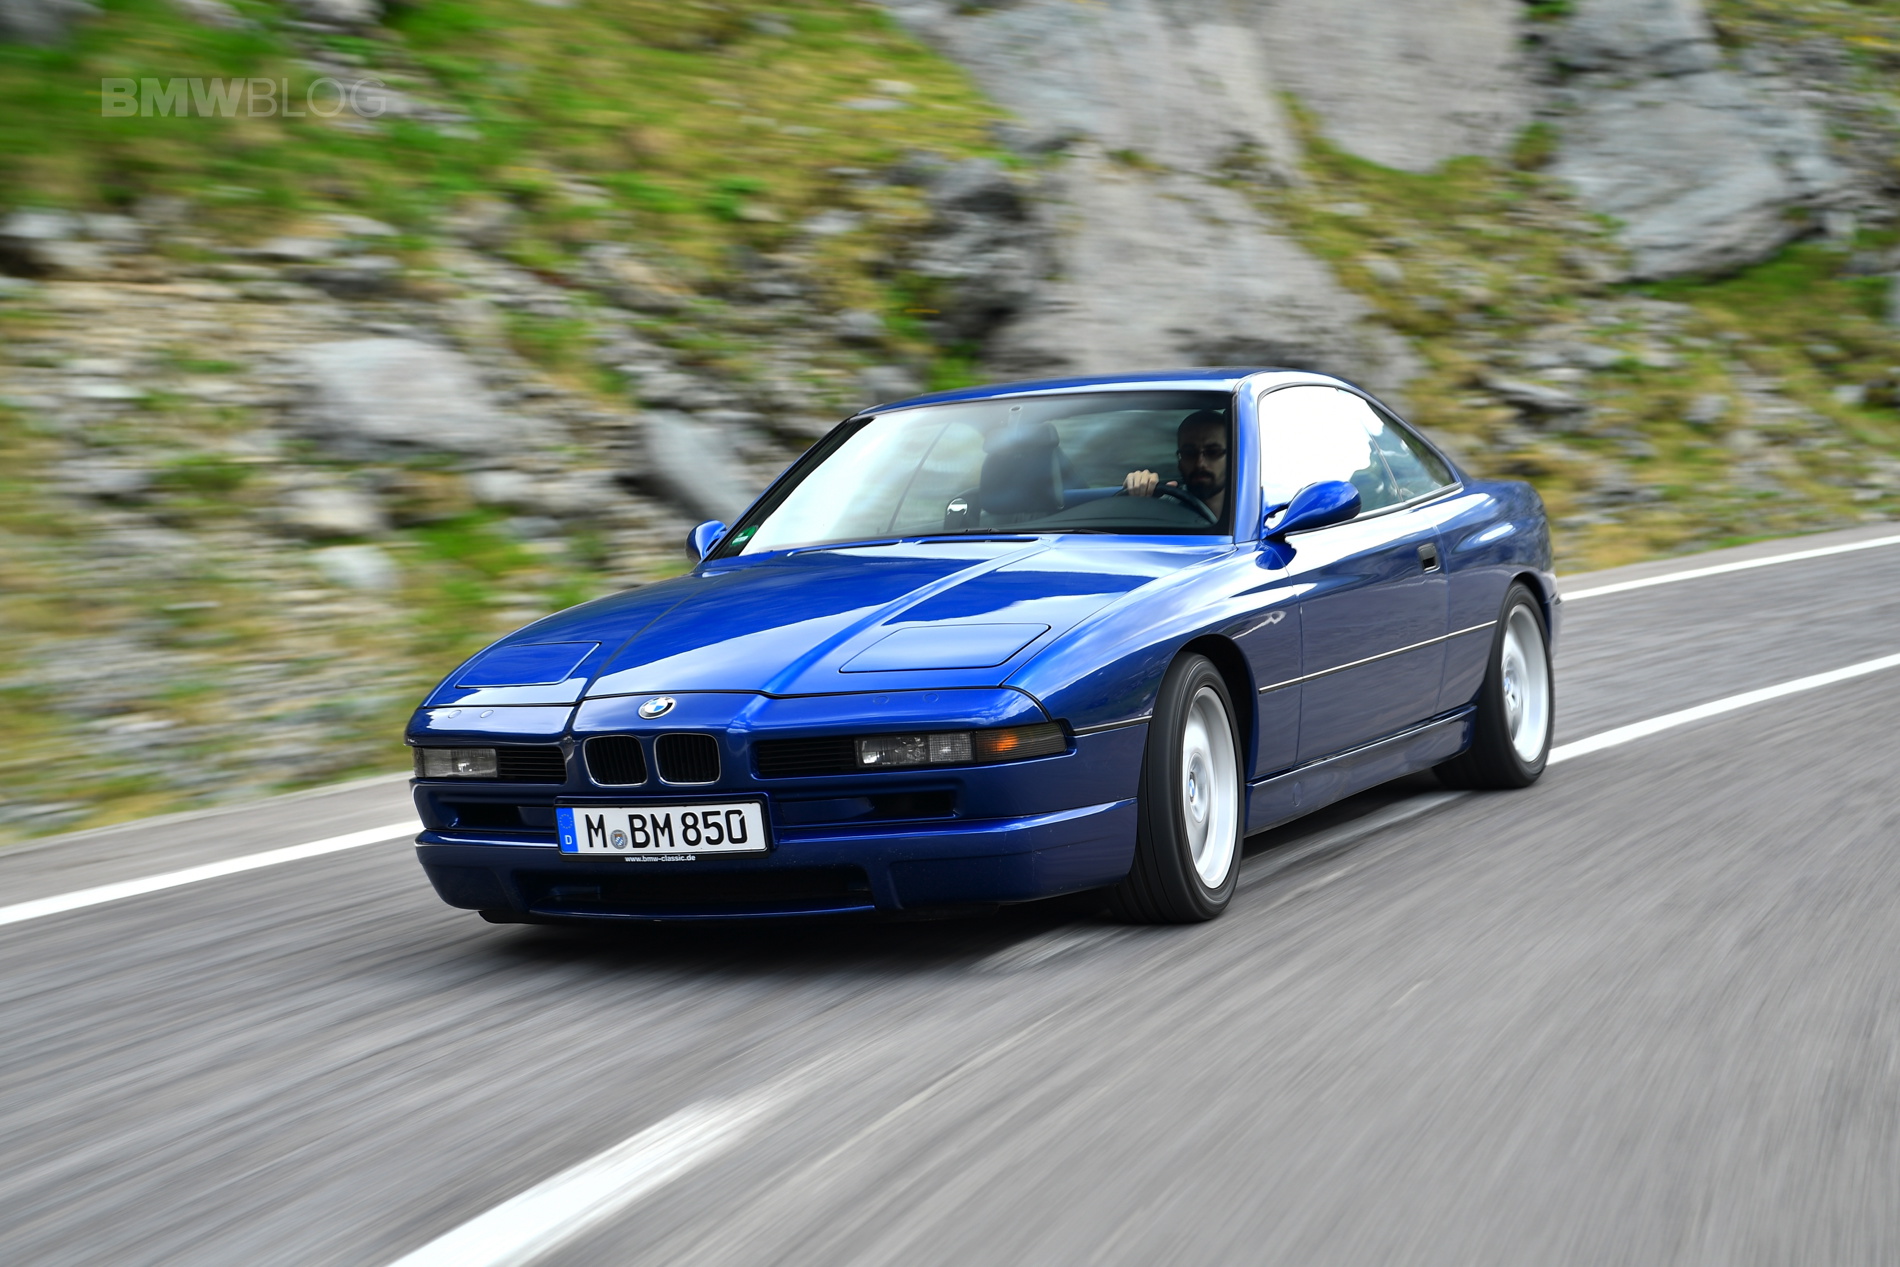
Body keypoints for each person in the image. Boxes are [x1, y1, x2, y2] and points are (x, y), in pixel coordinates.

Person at [1122, 409, 1229, 520]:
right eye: (1189, 453)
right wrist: (1139, 493)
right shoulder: (1165, 508)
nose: (1199, 463)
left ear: (1232, 457)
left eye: (1213, 452)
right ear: (1179, 460)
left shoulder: (1242, 509)